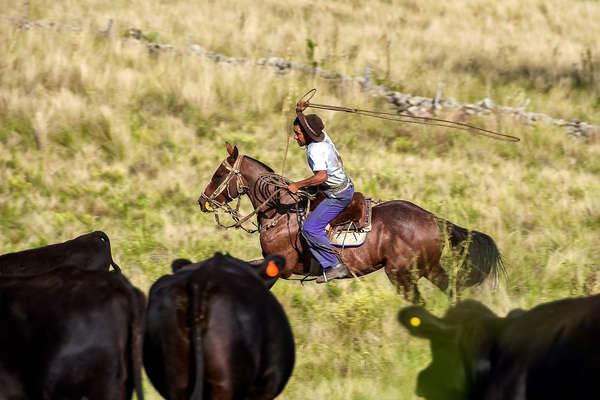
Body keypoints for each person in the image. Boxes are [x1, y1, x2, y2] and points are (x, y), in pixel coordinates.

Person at [287, 101, 354, 283]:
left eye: (297, 133)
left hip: (338, 195)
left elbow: (321, 177)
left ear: (307, 134)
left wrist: (298, 185)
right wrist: (300, 113)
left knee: (310, 228)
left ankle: (334, 267)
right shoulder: (322, 136)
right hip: (344, 185)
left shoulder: (314, 150)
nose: (295, 137)